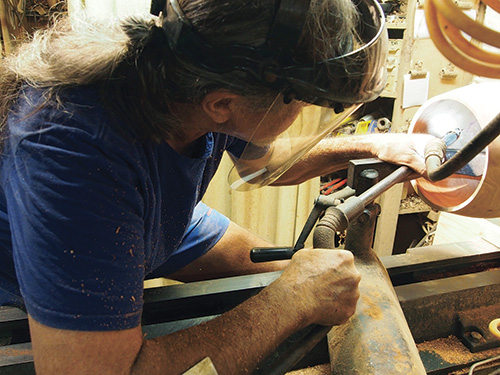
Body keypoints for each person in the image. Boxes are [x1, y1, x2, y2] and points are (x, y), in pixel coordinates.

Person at [0, 0, 435, 374]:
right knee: (294, 293)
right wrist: (287, 303)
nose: (303, 109)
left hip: (162, 223)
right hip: (52, 261)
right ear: (222, 104)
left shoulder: (203, 68)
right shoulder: (71, 151)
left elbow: (267, 165)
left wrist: (373, 145)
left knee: (299, 279)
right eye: (301, 102)